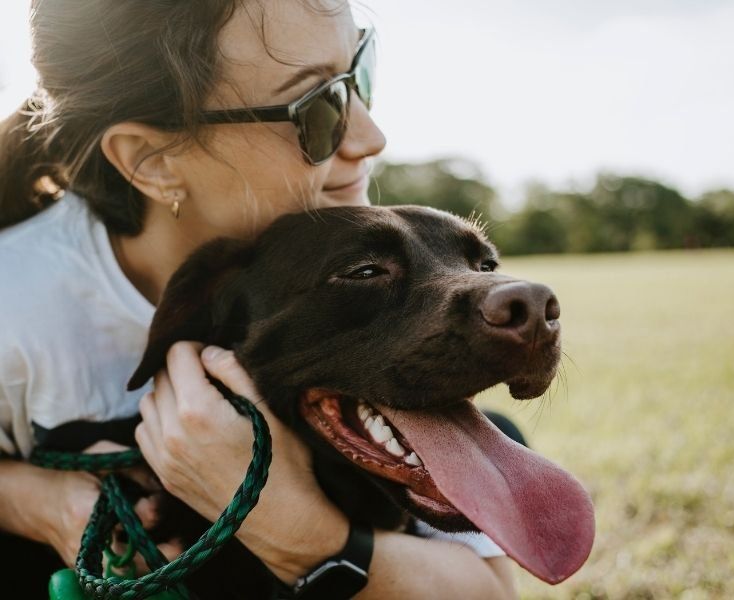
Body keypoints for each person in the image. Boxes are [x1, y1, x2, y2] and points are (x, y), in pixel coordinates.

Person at [0, 0, 518, 597]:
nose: (371, 136)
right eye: (316, 108)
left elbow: (488, 591)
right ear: (153, 160)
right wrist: (38, 501)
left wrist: (289, 523)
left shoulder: (356, 242)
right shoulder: (18, 305)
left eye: (360, 71)